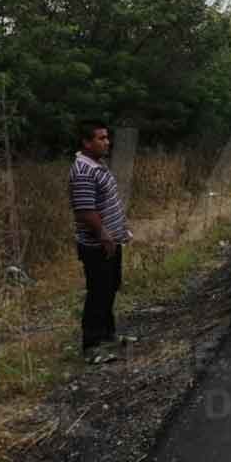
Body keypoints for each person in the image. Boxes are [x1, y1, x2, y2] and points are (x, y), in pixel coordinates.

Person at [69, 120, 132, 363]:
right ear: (86, 142)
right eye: (101, 138)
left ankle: (108, 335)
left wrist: (119, 231)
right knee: (98, 292)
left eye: (107, 138)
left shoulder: (98, 165)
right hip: (97, 245)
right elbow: (85, 211)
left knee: (110, 287)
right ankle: (91, 345)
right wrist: (104, 235)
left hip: (112, 241)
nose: (107, 142)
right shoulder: (83, 171)